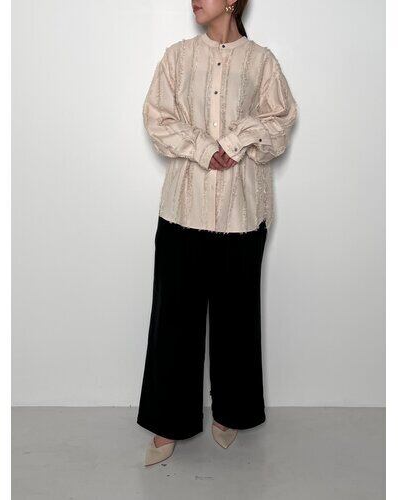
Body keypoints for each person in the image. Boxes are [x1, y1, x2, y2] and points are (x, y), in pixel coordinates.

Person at [137, 0, 298, 466]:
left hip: (241, 212)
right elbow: (157, 119)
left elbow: (280, 122)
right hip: (182, 210)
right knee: (174, 320)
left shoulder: (261, 62)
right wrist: (206, 148)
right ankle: (168, 420)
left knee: (236, 319)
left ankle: (232, 412)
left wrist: (235, 140)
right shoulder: (177, 57)